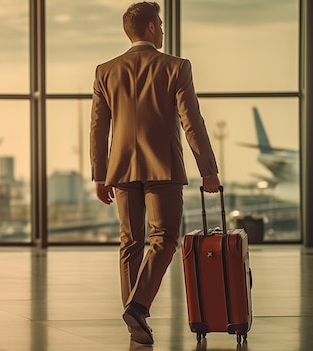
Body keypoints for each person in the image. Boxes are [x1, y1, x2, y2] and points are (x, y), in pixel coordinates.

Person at [89, 1, 221, 345]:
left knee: (130, 243)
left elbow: (98, 128)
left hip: (120, 169)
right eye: (159, 24)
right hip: (163, 165)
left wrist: (100, 174)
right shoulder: (175, 67)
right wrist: (207, 170)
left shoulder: (106, 70)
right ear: (150, 28)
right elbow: (192, 121)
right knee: (164, 238)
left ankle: (135, 316)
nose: (161, 30)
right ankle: (138, 305)